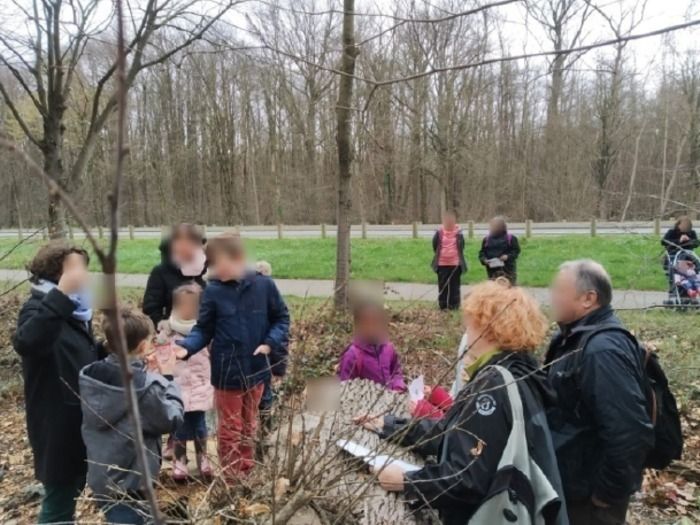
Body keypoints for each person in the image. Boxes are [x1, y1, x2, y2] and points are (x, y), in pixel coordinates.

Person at [356, 280, 566, 525]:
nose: (467, 333)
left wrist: (408, 481)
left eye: (471, 324)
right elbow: (454, 431)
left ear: (488, 329)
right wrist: (389, 426)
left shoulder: (494, 387)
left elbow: (468, 479)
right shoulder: (520, 370)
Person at [545, 260, 654, 525]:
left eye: (560, 291)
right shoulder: (572, 339)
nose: (552, 298)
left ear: (588, 299)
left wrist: (606, 494)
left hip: (590, 499)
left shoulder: (602, 351)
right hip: (572, 484)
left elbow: (628, 429)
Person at [175, 232, 290, 482]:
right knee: (230, 429)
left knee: (250, 424)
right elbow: (203, 329)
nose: (212, 268)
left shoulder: (264, 285)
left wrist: (270, 344)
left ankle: (246, 470)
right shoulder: (214, 291)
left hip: (257, 368)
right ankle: (230, 477)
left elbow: (281, 318)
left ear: (237, 258)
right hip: (227, 372)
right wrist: (186, 348)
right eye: (210, 262)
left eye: (217, 262)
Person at [13, 242, 102, 524]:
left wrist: (112, 350)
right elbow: (29, 342)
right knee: (59, 500)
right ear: (55, 274)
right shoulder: (40, 307)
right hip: (55, 420)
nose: (83, 275)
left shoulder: (76, 310)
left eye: (84, 268)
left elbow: (79, 353)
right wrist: (63, 293)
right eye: (75, 268)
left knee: (73, 487)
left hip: (79, 414)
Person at [80, 307, 184, 524]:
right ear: (143, 346)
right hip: (132, 483)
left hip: (103, 479)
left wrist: (145, 372)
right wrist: (167, 378)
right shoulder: (144, 388)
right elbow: (172, 418)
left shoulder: (92, 375)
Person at [155, 284, 214, 482]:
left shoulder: (205, 331)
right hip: (178, 387)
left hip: (199, 385)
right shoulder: (167, 333)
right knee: (179, 425)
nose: (187, 310)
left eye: (192, 306)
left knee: (199, 424)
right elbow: (160, 359)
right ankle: (180, 460)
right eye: (183, 305)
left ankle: (203, 458)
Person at [143, 223, 207, 328]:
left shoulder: (207, 269)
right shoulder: (160, 272)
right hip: (174, 332)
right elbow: (150, 308)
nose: (185, 245)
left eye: (191, 241)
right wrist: (162, 323)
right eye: (179, 241)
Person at [337, 301, 406, 392]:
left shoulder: (389, 349)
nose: (371, 328)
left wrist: (398, 387)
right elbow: (345, 389)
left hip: (390, 401)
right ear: (357, 326)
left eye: (376, 322)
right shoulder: (352, 355)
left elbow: (396, 372)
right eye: (366, 324)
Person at [431, 210, 467, 310]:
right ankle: (443, 305)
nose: (449, 223)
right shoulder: (439, 233)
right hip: (442, 264)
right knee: (443, 286)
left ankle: (454, 306)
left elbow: (461, 247)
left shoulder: (459, 234)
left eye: (451, 221)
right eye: (447, 221)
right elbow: (435, 246)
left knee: (454, 286)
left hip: (455, 264)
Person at [478, 216, 521, 284]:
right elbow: (482, 253)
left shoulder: (511, 238)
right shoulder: (486, 239)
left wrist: (507, 256)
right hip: (492, 272)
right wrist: (484, 260)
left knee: (509, 292)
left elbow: (516, 251)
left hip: (508, 271)